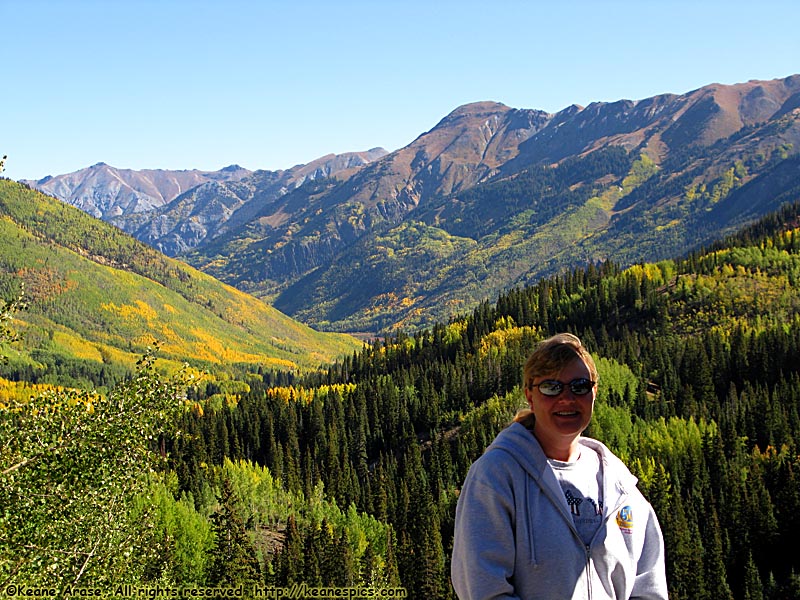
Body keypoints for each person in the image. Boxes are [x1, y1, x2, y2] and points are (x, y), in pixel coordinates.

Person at [451, 333, 668, 599]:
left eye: (579, 386)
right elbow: (483, 589)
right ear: (530, 395)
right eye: (551, 387)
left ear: (594, 392)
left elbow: (649, 586)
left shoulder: (620, 486)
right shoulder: (496, 476)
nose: (566, 398)